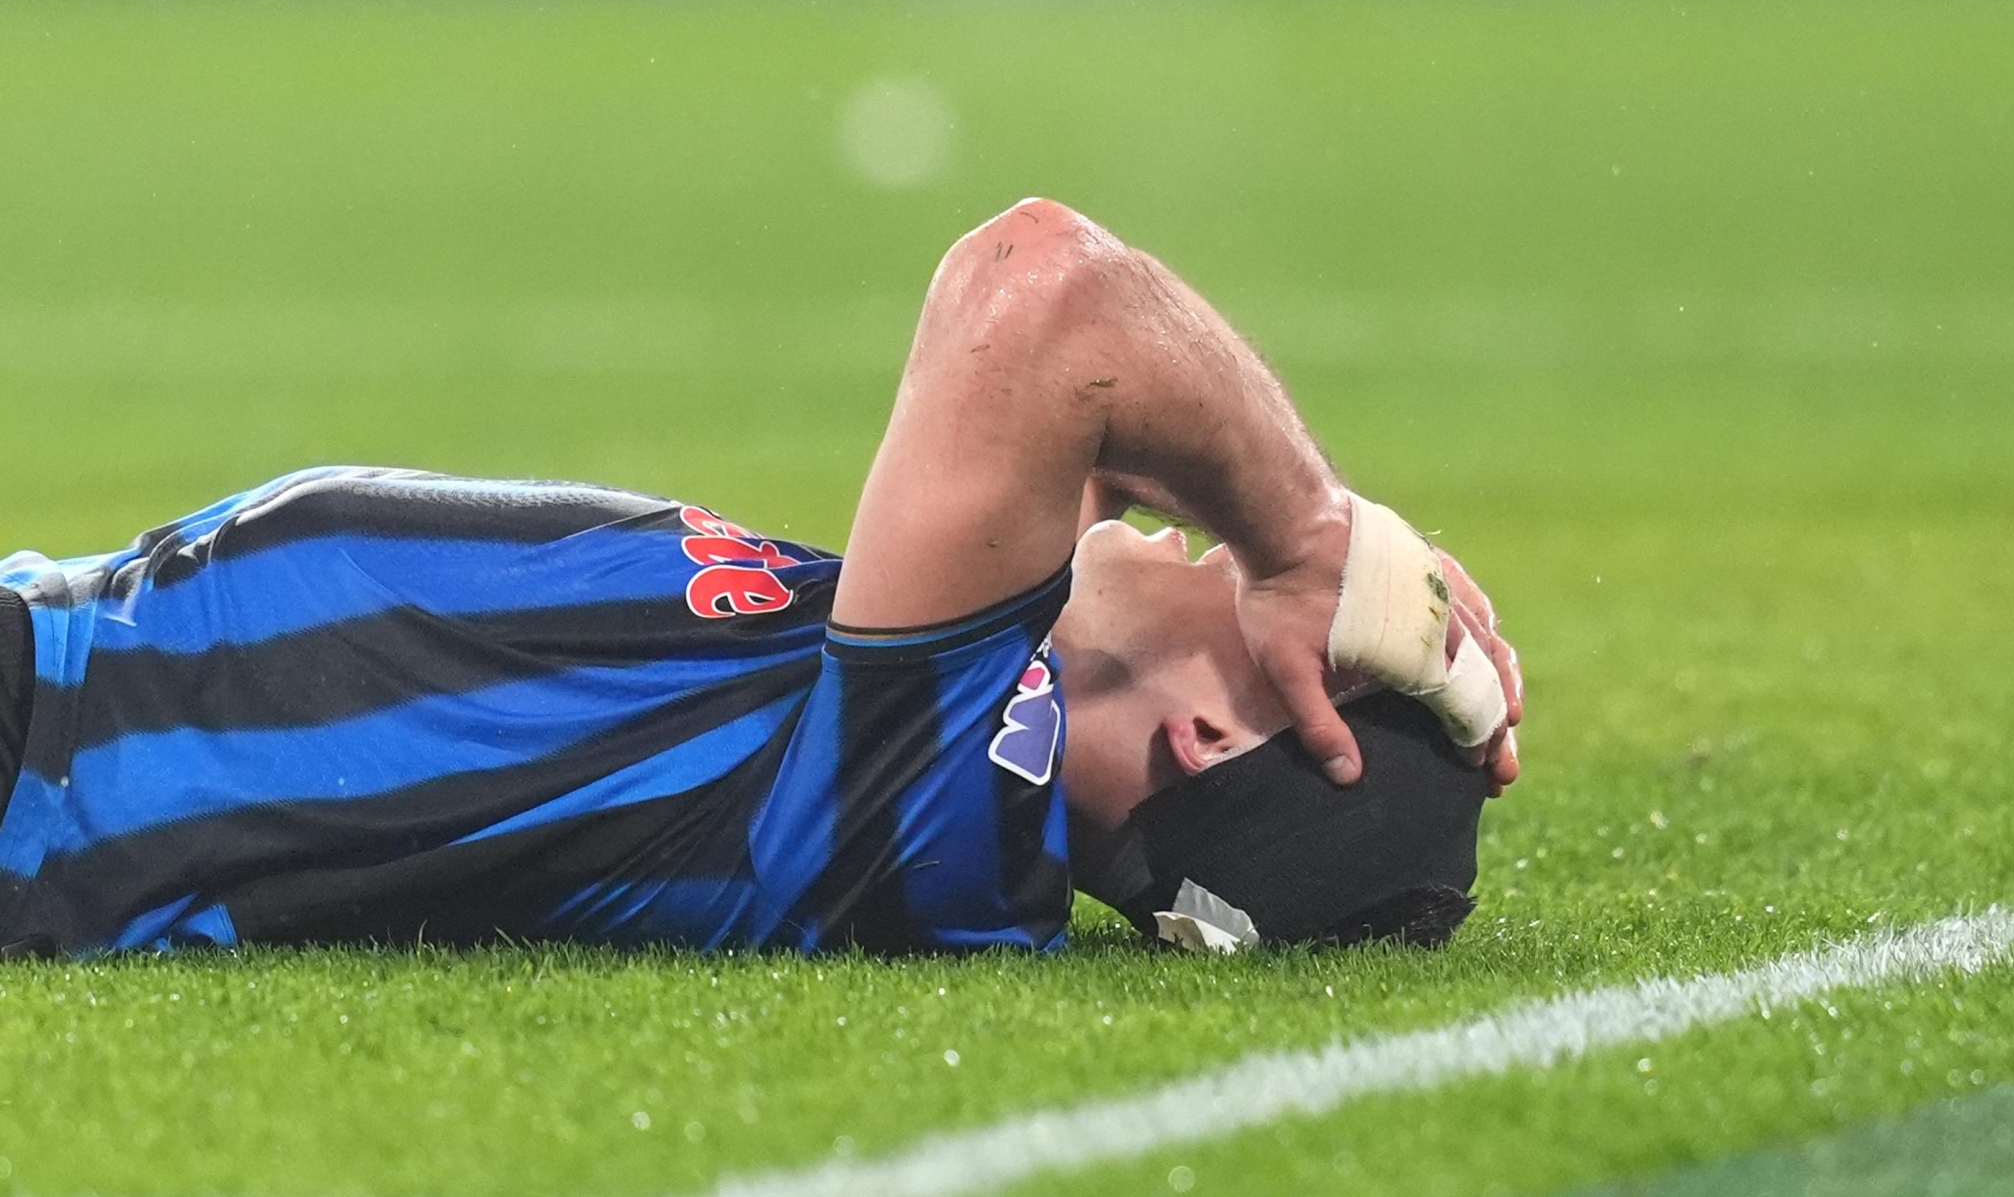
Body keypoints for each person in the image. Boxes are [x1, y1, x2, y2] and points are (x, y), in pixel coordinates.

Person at [0, 199, 1522, 959]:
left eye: (1286, 633)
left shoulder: (941, 820)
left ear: (1205, 739)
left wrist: (1306, 526)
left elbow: (1047, 294)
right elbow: (1102, 413)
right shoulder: (939, 758)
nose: (1218, 553)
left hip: (41, 771)